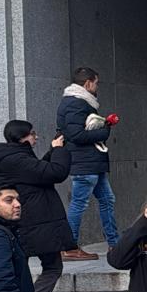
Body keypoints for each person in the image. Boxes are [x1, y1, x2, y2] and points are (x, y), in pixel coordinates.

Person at [0, 121, 75, 292]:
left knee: (29, 269)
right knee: (50, 268)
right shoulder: (16, 159)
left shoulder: (13, 156)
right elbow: (56, 173)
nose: (36, 137)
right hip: (33, 223)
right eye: (33, 134)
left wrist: (52, 151)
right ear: (22, 137)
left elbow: (38, 173)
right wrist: (59, 151)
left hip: (32, 222)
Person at [57, 66, 120, 259]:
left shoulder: (78, 102)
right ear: (88, 83)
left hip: (91, 163)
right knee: (79, 204)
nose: (97, 86)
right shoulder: (76, 103)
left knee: (107, 200)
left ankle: (114, 244)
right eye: (96, 83)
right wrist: (104, 130)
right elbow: (76, 135)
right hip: (85, 163)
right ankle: (69, 247)